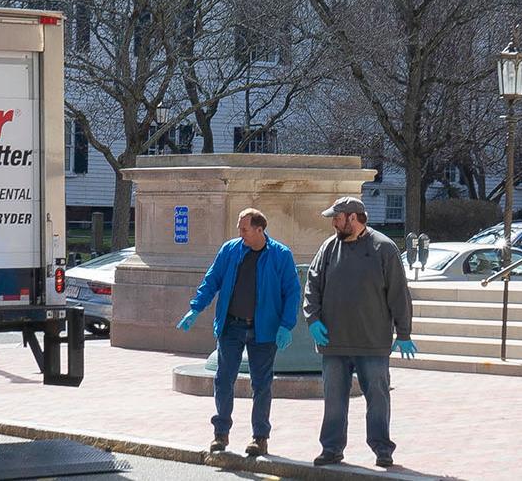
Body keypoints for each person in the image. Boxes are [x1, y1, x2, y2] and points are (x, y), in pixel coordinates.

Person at [177, 208, 301, 456]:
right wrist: (195, 309)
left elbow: (292, 292)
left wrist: (286, 325)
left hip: (263, 330)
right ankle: (220, 434)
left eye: (244, 228)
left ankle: (260, 438)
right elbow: (212, 280)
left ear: (259, 229)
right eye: (239, 228)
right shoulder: (230, 250)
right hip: (231, 326)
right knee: (223, 380)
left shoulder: (280, 255)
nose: (239, 233)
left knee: (262, 385)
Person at [303, 196, 415, 467]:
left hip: (372, 342)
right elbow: (312, 286)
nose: (333, 223)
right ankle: (331, 448)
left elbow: (399, 294)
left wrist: (404, 332)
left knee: (377, 398)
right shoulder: (329, 248)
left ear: (353, 218)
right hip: (334, 343)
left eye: (337, 218)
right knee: (334, 401)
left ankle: (382, 449)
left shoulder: (383, 248)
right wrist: (312, 319)